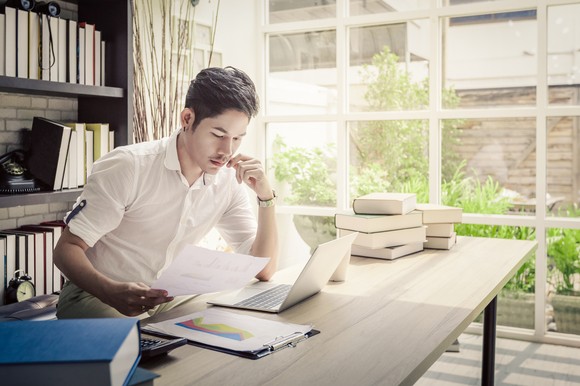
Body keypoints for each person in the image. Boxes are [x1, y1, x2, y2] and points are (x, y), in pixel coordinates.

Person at [54, 66, 278, 318]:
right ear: (187, 119)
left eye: (237, 138)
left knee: (237, 320)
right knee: (143, 347)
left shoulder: (227, 181)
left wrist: (266, 197)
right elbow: (66, 249)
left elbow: (263, 269)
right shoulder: (129, 166)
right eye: (218, 134)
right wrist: (111, 292)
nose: (227, 150)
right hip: (97, 294)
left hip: (169, 295)